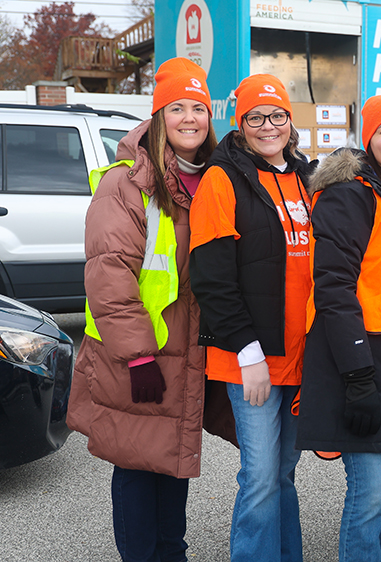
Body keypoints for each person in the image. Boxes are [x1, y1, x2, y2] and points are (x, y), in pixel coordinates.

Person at [67, 57, 215, 562]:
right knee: (135, 464)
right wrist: (138, 356)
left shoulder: (210, 178)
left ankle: (171, 554)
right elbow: (108, 278)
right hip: (140, 356)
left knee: (171, 458)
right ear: (157, 116)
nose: (190, 118)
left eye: (199, 107)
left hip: (183, 352)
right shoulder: (127, 184)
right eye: (178, 108)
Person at [294, 94, 381, 562]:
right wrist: (357, 376)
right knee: (369, 495)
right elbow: (333, 288)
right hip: (359, 364)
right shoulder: (351, 194)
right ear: (367, 138)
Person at [189, 74, 314, 562]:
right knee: (260, 476)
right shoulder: (223, 179)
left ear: (290, 120)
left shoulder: (305, 178)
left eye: (277, 115)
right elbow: (212, 277)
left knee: (283, 473)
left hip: (299, 356)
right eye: (255, 118)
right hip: (254, 359)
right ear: (239, 126)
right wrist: (248, 353)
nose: (268, 126)